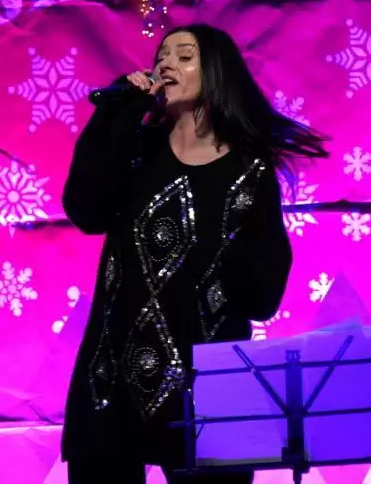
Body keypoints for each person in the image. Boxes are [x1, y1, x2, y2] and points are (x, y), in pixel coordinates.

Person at [61, 24, 328, 484]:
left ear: (217, 72)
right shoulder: (137, 150)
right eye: (162, 55)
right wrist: (117, 115)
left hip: (208, 388)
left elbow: (263, 297)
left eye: (184, 56)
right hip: (113, 377)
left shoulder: (249, 171)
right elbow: (85, 210)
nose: (167, 63)